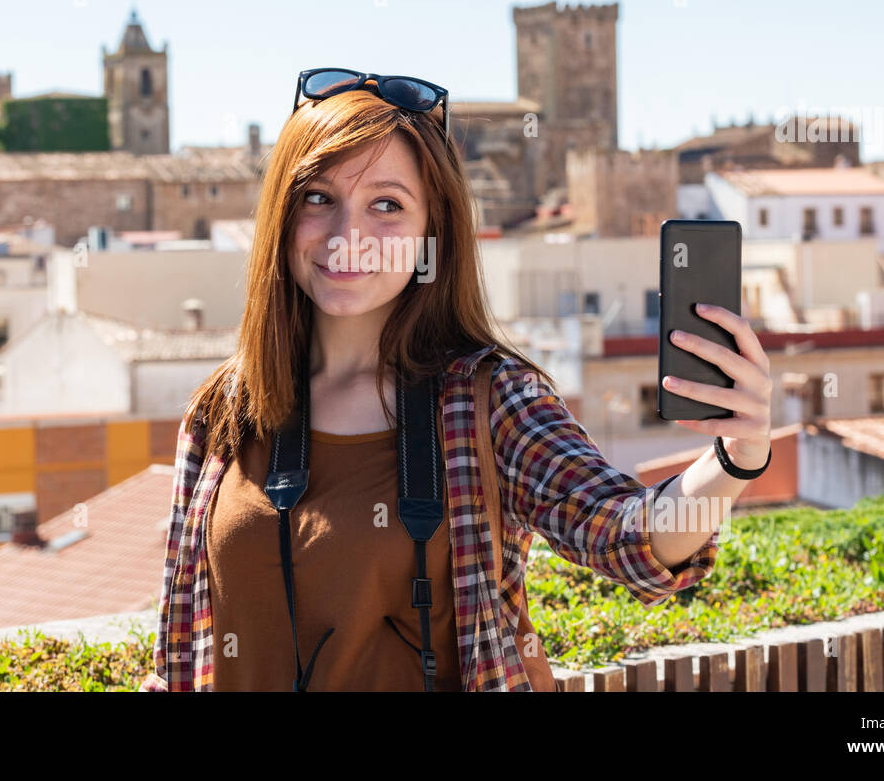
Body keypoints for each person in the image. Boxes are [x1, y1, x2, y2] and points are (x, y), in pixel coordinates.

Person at [140, 68, 773, 691]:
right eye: (318, 197)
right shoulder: (224, 410)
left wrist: (735, 460)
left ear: (430, 234)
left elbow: (626, 535)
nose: (347, 235)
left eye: (386, 204)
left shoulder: (489, 401)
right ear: (282, 216)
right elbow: (182, 638)